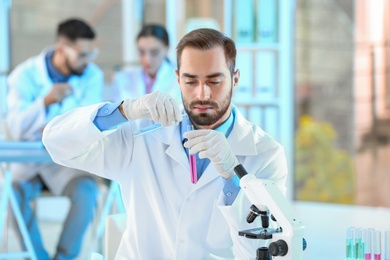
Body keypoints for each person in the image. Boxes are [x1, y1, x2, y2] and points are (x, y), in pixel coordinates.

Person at [43, 28, 287, 259]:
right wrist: (123, 111)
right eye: (191, 81)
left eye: (214, 81)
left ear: (235, 79)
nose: (202, 94)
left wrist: (234, 179)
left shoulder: (267, 154)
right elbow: (57, 144)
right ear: (178, 78)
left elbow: (260, 251)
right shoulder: (141, 136)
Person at [6, 18, 103, 260]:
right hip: (28, 161)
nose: (87, 61)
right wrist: (46, 102)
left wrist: (52, 127)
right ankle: (37, 256)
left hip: (65, 163)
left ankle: (64, 257)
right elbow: (15, 127)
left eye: (91, 53)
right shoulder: (24, 75)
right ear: (62, 49)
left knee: (87, 191)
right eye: (82, 54)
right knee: (13, 194)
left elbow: (89, 123)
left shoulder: (92, 76)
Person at [110, 24, 181, 102]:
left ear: (167, 48)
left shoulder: (179, 79)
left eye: (154, 52)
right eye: (141, 52)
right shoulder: (122, 79)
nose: (147, 60)